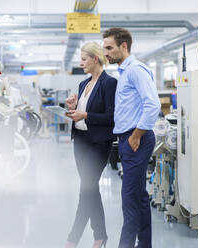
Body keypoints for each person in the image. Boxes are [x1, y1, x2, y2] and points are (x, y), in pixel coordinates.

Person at [102, 28, 161, 248]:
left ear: (123, 46)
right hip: (129, 139)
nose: (106, 53)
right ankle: (144, 244)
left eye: (109, 47)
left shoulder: (135, 70)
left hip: (136, 140)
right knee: (139, 197)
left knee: (129, 200)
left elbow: (153, 105)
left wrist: (136, 136)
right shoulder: (124, 72)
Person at [64, 41, 117, 248]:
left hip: (98, 144)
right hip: (81, 141)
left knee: (85, 189)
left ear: (96, 59)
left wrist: (85, 114)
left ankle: (72, 239)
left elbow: (112, 117)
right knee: (90, 190)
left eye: (84, 59)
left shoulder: (109, 83)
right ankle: (101, 236)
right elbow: (82, 113)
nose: (81, 63)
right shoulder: (83, 84)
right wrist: (73, 107)